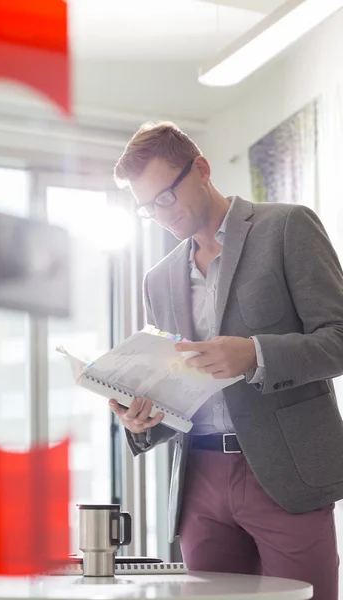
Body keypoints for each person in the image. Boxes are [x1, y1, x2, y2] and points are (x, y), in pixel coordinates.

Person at [109, 121, 343, 600]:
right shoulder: (157, 280)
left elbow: (339, 337)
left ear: (201, 169)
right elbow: (171, 384)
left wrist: (254, 354)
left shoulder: (286, 226)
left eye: (165, 198)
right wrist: (142, 419)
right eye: (147, 207)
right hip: (198, 481)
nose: (159, 215)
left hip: (284, 471)